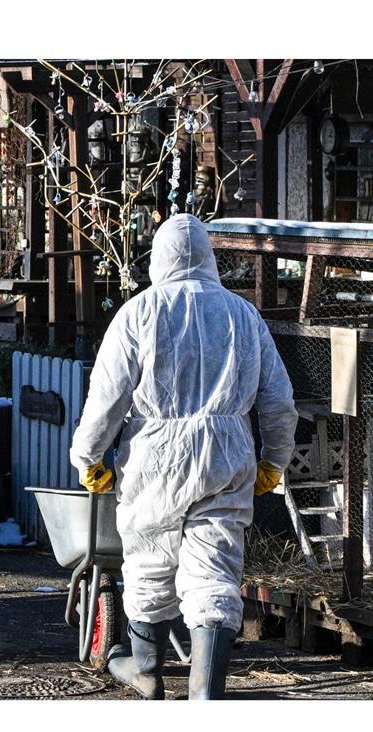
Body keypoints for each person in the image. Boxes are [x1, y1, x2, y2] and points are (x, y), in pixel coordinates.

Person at [69, 214, 298, 700]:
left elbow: (106, 397)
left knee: (148, 560)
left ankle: (148, 670)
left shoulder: (137, 313)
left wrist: (88, 456)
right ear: (210, 259)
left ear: (158, 259)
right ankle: (204, 691)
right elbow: (278, 400)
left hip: (154, 458)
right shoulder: (243, 314)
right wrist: (273, 462)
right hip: (226, 453)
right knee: (215, 567)